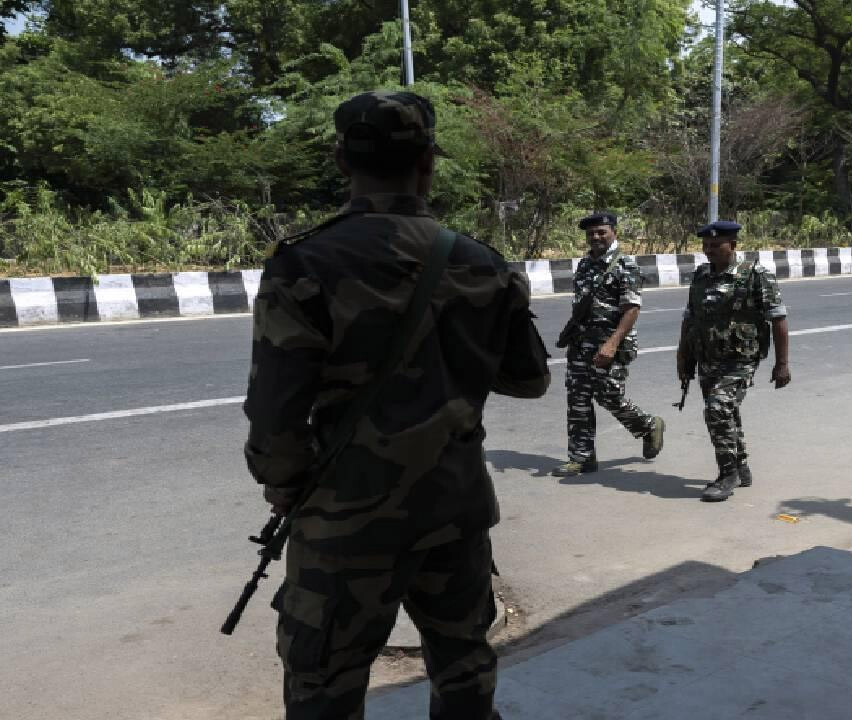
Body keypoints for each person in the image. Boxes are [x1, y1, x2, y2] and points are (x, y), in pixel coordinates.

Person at [242, 90, 550, 720]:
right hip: (453, 510)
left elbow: (274, 415)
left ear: (341, 161)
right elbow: (529, 380)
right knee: (463, 669)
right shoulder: (481, 264)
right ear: (428, 163)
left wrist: (285, 487)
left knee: (323, 686)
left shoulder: (304, 264)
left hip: (344, 522)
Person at [677, 220, 790, 502]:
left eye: (716, 245)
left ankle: (727, 474)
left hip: (740, 360)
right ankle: (741, 465)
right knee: (727, 412)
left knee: (718, 409)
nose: (709, 250)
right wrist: (683, 355)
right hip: (707, 357)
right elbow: (690, 317)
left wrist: (782, 363)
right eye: (706, 245)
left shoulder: (755, 275)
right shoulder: (701, 276)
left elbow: (778, 319)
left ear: (733, 246)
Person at [551, 212, 665, 476]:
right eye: (591, 233)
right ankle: (581, 458)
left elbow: (632, 309)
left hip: (611, 344)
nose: (596, 237)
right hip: (581, 344)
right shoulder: (585, 264)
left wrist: (612, 344)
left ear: (613, 231)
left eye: (601, 232)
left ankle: (648, 425)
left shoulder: (626, 265)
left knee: (609, 395)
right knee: (577, 399)